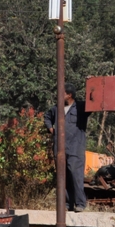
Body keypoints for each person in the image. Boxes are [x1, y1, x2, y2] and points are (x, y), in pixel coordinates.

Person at [43, 83, 90, 212]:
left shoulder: (80, 107)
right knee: (63, 177)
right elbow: (47, 117)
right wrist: (51, 129)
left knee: (76, 176)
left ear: (69, 95)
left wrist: (92, 86)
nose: (58, 95)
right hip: (59, 149)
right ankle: (68, 204)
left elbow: (93, 103)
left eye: (61, 93)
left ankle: (80, 204)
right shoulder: (56, 108)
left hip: (75, 148)